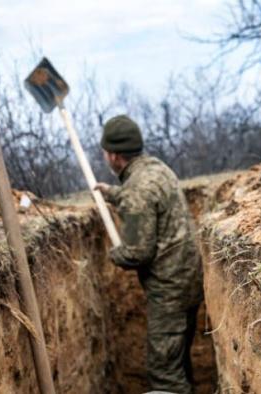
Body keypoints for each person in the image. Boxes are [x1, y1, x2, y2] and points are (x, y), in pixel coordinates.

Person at [94, 115, 204, 394]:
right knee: (178, 358)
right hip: (189, 279)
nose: (106, 157)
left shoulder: (137, 189)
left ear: (115, 156)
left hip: (169, 292)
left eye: (106, 152)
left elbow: (137, 253)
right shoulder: (158, 169)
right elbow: (146, 200)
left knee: (165, 374)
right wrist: (113, 194)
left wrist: (113, 254)